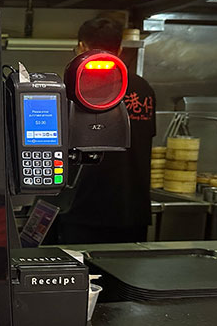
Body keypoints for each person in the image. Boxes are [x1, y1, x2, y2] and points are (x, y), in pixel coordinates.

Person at [57, 17, 156, 244]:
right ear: (120, 48)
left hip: (83, 210)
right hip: (132, 211)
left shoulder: (74, 85)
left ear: (82, 46)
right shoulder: (143, 88)